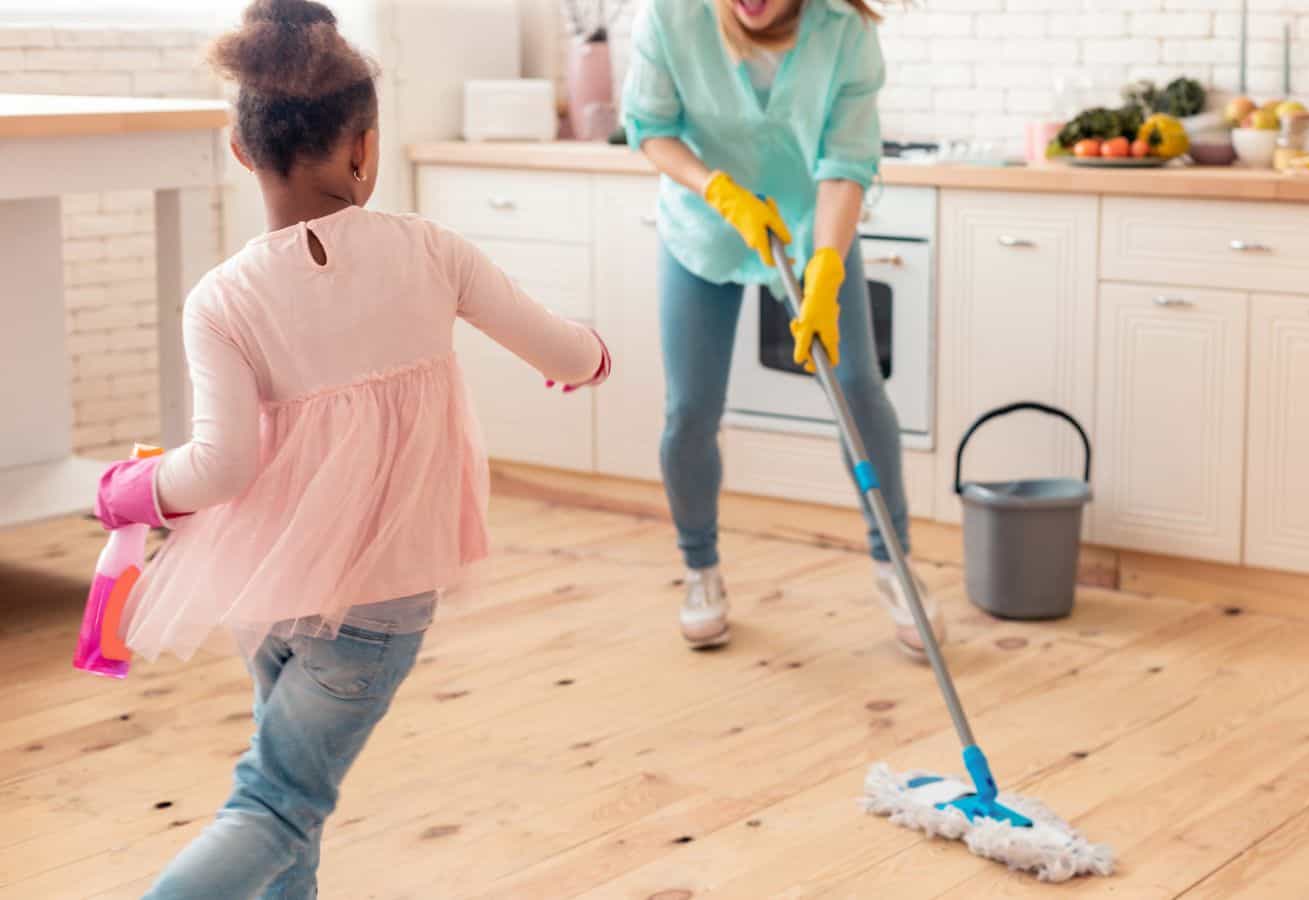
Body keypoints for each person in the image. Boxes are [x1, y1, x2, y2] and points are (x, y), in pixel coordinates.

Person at [90, 1, 609, 895]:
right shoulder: (431, 251)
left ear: (243, 153)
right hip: (379, 605)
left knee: (291, 795)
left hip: (273, 588)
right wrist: (590, 360)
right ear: (365, 147)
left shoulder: (222, 299)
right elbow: (560, 348)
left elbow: (220, 468)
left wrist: (134, 490)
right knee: (281, 801)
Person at [623, 0, 942, 659]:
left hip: (812, 226)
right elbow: (650, 127)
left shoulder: (845, 31)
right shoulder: (668, 16)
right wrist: (718, 191)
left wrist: (826, 264)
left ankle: (896, 568)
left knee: (857, 385)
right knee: (690, 409)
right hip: (705, 228)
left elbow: (846, 163)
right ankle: (701, 569)